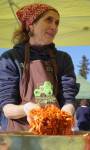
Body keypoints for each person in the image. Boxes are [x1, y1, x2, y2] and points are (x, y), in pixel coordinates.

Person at [0, 3, 79, 131]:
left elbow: (68, 100)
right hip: (19, 137)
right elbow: (7, 108)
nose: (54, 26)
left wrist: (67, 113)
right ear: (31, 25)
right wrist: (27, 108)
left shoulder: (63, 59)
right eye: (48, 20)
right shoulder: (11, 58)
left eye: (57, 22)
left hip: (54, 133)